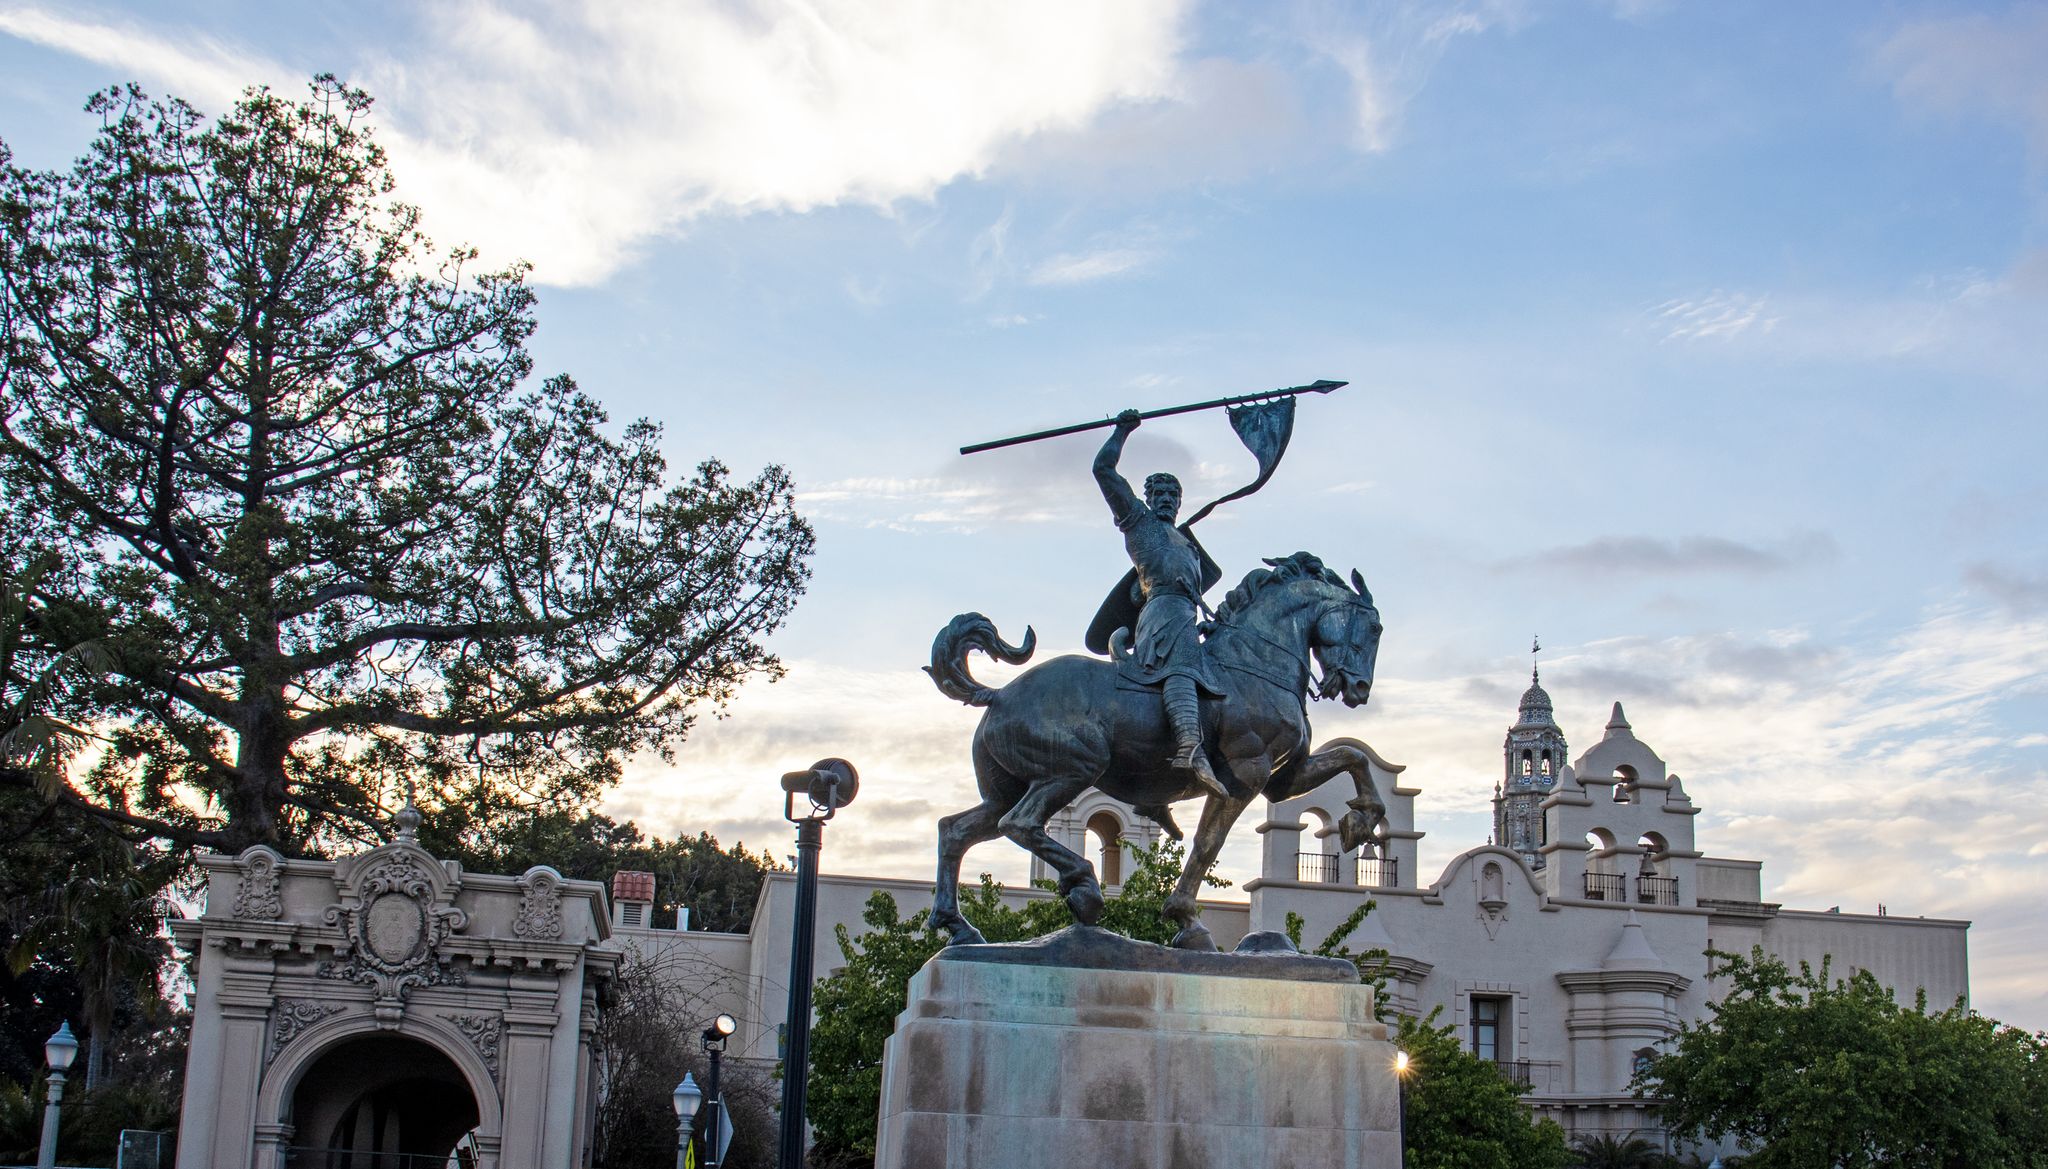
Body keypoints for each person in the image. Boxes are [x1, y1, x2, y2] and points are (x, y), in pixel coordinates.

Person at [1093, 409, 1230, 799]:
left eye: (1174, 495)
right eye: (1160, 494)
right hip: (1162, 615)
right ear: (1148, 499)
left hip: (1186, 615)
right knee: (1182, 664)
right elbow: (1103, 470)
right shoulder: (1139, 522)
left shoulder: (1186, 544)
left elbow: (1196, 592)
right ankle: (1189, 746)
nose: (1168, 500)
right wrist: (1122, 431)